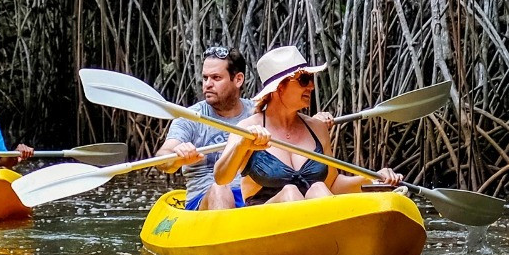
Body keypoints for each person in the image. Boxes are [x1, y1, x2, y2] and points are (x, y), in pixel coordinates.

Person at [209, 46, 398, 207]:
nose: (311, 87)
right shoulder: (247, 128)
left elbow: (333, 184)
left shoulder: (317, 128)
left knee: (319, 188)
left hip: (312, 220)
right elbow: (221, 178)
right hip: (265, 223)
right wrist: (241, 144)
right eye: (304, 80)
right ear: (279, 88)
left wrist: (372, 179)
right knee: (290, 192)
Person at [156, 46, 252, 209]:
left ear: (238, 80)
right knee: (221, 188)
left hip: (250, 198)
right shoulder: (190, 117)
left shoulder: (257, 112)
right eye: (205, 78)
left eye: (216, 78)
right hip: (205, 200)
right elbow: (162, 159)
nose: (207, 84)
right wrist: (177, 155)